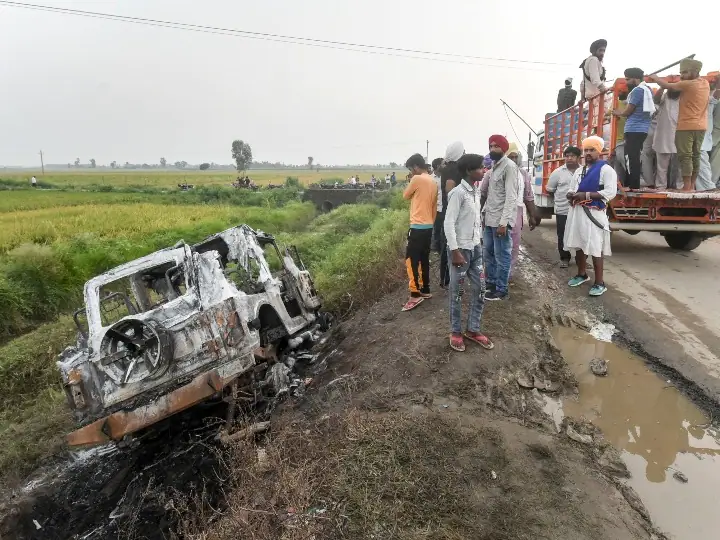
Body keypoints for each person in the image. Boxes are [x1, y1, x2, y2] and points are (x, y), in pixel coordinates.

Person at [444, 154, 494, 352]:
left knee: (480, 288)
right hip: (460, 250)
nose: (484, 170)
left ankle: (473, 329)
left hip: (475, 248)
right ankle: (455, 332)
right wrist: (455, 251)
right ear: (468, 170)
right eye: (480, 168)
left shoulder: (474, 191)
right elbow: (449, 223)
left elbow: (474, 221)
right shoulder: (458, 193)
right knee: (457, 293)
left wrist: (479, 241)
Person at [564, 136, 618, 297]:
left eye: (592, 150)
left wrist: (585, 194)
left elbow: (610, 192)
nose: (588, 153)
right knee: (579, 245)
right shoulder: (580, 171)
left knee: (595, 248)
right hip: (578, 214)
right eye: (586, 150)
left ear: (598, 151)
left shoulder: (606, 170)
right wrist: (571, 195)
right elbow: (572, 188)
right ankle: (582, 274)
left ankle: (599, 282)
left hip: (594, 214)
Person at [650, 58, 710, 191]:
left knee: (685, 158)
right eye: (680, 73)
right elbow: (661, 95)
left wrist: (655, 78)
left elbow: (668, 86)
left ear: (695, 71)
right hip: (692, 128)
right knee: (693, 156)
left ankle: (685, 187)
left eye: (684, 72)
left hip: (685, 128)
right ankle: (684, 186)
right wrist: (662, 86)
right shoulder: (704, 83)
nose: (682, 76)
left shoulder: (687, 86)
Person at [482, 135, 518, 301]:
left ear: (504, 149)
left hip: (500, 222)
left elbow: (511, 197)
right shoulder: (494, 167)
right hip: (490, 218)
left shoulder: (509, 167)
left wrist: (504, 222)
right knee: (488, 253)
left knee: (502, 255)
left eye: (496, 146)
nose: (492, 149)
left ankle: (501, 290)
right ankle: (490, 283)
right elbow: (491, 195)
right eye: (491, 146)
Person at [401, 153, 438, 312]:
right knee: (423, 258)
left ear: (415, 167)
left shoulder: (416, 179)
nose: (411, 172)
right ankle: (426, 289)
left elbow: (405, 195)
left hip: (417, 226)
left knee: (411, 259)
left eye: (411, 169)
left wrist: (410, 180)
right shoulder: (433, 180)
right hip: (429, 225)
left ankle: (415, 294)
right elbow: (434, 206)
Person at [500, 143, 538, 279]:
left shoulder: (523, 174)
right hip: (499, 213)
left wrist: (532, 216)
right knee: (498, 247)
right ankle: (496, 275)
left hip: (516, 213)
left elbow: (528, 195)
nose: (514, 160)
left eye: (516, 157)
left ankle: (507, 276)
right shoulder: (497, 171)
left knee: (514, 245)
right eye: (511, 156)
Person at [613, 68, 654, 189]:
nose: (626, 82)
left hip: (633, 129)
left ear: (635, 79)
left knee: (631, 158)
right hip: (643, 129)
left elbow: (628, 111)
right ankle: (634, 184)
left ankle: (633, 185)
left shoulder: (637, 91)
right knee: (635, 157)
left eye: (628, 79)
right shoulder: (648, 90)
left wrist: (617, 113)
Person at [546, 146, 581, 268]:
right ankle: (565, 258)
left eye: (572, 156)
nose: (569, 158)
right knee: (562, 234)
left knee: (581, 234)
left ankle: (581, 259)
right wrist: (560, 200)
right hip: (563, 209)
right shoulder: (557, 172)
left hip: (580, 210)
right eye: (567, 156)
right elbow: (550, 190)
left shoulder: (584, 171)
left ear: (578, 157)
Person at [440, 141, 465, 289]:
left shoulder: (447, 168)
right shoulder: (453, 169)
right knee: (451, 243)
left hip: (448, 211)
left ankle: (447, 278)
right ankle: (448, 279)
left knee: (449, 244)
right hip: (452, 212)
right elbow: (449, 189)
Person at [648, 88, 681, 189]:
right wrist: (662, 87)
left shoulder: (684, 98)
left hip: (680, 136)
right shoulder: (664, 97)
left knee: (680, 165)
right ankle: (661, 186)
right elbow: (655, 100)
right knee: (662, 166)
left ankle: (680, 186)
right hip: (663, 136)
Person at [697, 84, 718, 190]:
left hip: (704, 133)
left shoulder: (709, 99)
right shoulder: (703, 98)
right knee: (701, 159)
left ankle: (706, 185)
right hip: (700, 132)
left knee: (702, 160)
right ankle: (707, 186)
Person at [430, 157, 444, 253]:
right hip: (435, 207)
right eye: (443, 164)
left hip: (444, 206)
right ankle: (436, 247)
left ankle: (441, 246)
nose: (445, 165)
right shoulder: (430, 179)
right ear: (438, 166)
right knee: (437, 228)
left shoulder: (445, 176)